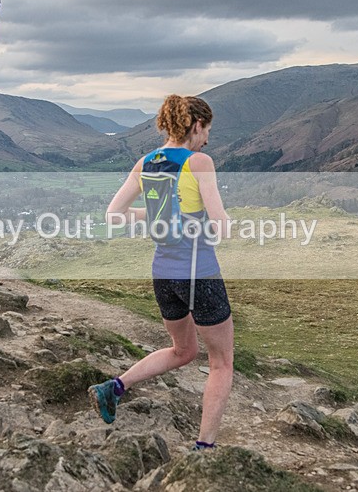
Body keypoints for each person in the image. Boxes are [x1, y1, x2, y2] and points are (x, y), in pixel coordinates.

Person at [88, 95, 234, 451]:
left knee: (183, 350)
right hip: (199, 273)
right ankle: (204, 449)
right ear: (196, 125)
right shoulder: (199, 162)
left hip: (163, 274)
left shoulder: (146, 162)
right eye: (207, 130)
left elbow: (114, 215)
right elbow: (221, 226)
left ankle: (114, 388)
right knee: (221, 363)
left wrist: (159, 216)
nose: (207, 139)